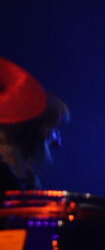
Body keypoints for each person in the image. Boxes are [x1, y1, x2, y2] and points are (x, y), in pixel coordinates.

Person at [0, 58, 68, 193]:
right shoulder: (8, 164)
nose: (58, 141)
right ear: (37, 127)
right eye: (54, 128)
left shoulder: (25, 171)